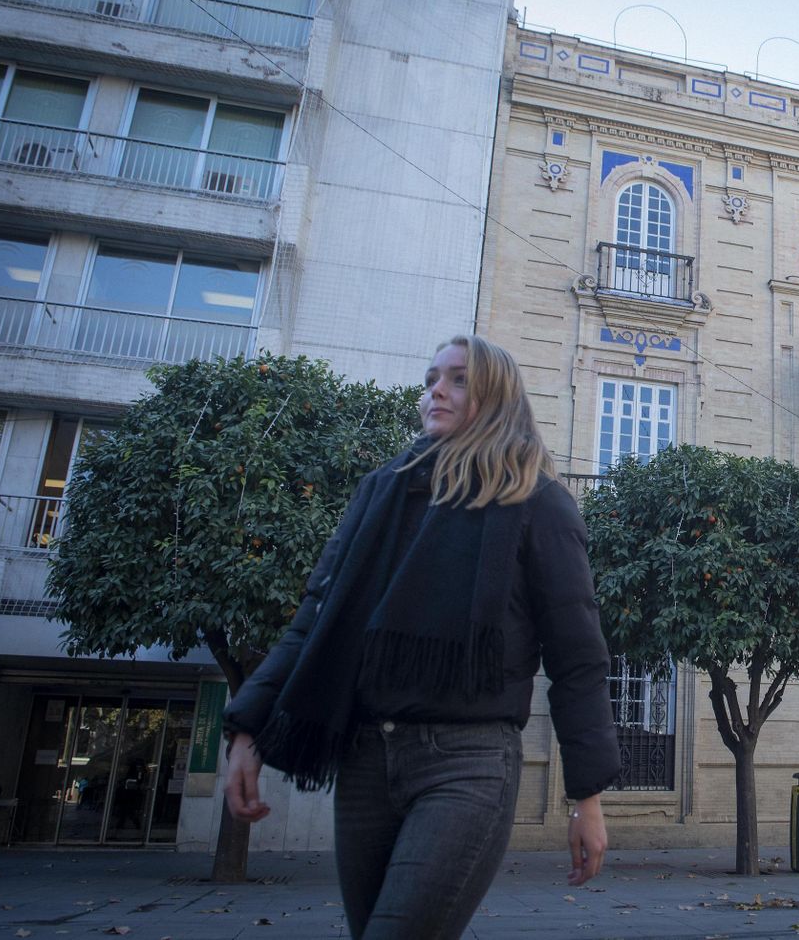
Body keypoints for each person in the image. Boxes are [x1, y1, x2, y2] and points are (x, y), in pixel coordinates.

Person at [222, 334, 621, 940]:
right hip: (365, 762)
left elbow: (578, 659)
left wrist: (586, 797)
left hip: (467, 763)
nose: (437, 390)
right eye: (432, 378)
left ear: (496, 397)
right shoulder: (381, 493)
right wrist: (247, 728)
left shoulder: (539, 503)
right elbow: (316, 618)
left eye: (459, 379)